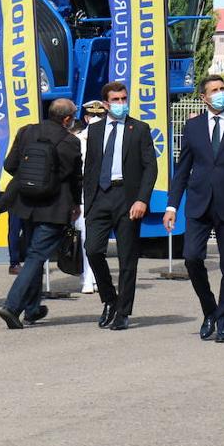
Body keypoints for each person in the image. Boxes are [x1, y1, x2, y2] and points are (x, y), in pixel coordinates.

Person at [165, 75, 224, 344]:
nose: (220, 93)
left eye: (222, 88)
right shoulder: (192, 127)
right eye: (214, 91)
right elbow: (182, 170)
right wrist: (172, 205)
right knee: (192, 257)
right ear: (204, 98)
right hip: (199, 203)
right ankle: (210, 310)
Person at [0, 99, 83, 329]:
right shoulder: (71, 142)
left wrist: (30, 178)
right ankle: (12, 306)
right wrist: (76, 204)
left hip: (26, 204)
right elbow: (73, 177)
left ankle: (32, 308)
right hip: (54, 207)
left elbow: (10, 165)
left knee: (34, 256)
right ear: (66, 119)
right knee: (36, 256)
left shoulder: (26, 132)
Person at [83, 82, 157, 331]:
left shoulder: (139, 129)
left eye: (123, 98)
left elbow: (150, 167)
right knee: (92, 250)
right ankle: (110, 299)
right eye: (115, 99)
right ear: (105, 103)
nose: (120, 103)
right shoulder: (94, 131)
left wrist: (142, 199)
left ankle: (123, 312)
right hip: (99, 198)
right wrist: (85, 200)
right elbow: (90, 168)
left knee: (127, 259)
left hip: (127, 198)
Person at [75, 100, 105, 295]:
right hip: (85, 196)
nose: (96, 120)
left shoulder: (109, 139)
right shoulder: (78, 140)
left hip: (104, 195)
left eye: (100, 116)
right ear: (86, 118)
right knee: (87, 238)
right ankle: (87, 277)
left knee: (98, 241)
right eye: (92, 116)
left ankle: (94, 276)